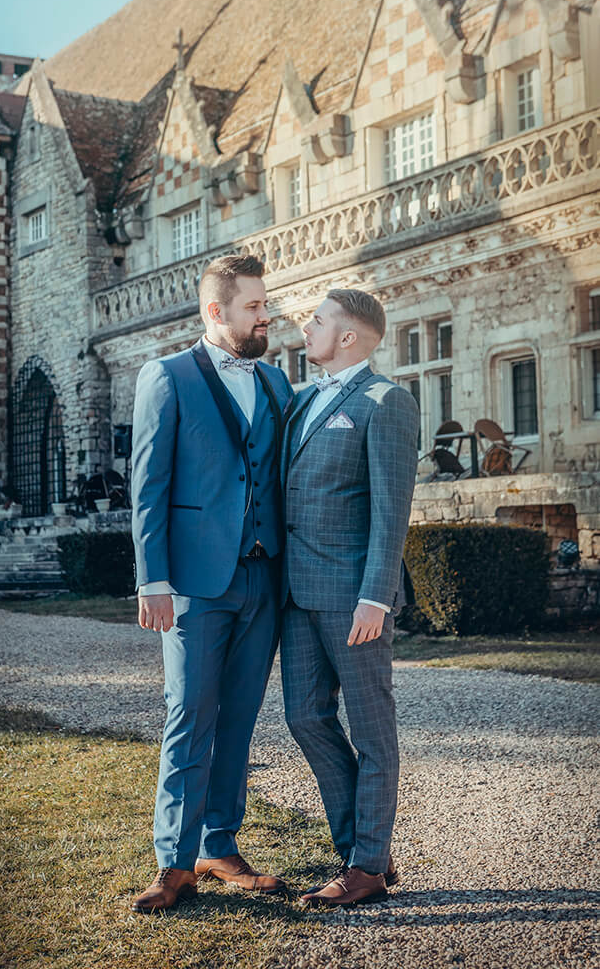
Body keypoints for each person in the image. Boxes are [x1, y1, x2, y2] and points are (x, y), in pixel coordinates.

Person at [130, 254, 293, 913]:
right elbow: (148, 486)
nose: (266, 316)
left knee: (240, 720)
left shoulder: (279, 384)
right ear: (215, 311)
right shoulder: (165, 377)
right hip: (195, 585)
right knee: (188, 716)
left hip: (263, 576)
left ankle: (219, 845)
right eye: (254, 306)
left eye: (264, 305)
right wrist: (153, 579)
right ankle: (173, 861)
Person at [280, 287, 419, 908]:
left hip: (352, 597)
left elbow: (392, 510)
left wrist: (376, 597)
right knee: (304, 718)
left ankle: (363, 868)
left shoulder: (386, 402)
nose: (305, 329)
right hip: (296, 594)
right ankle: (366, 848)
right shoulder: (302, 399)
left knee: (371, 729)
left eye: (317, 321)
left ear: (348, 337)